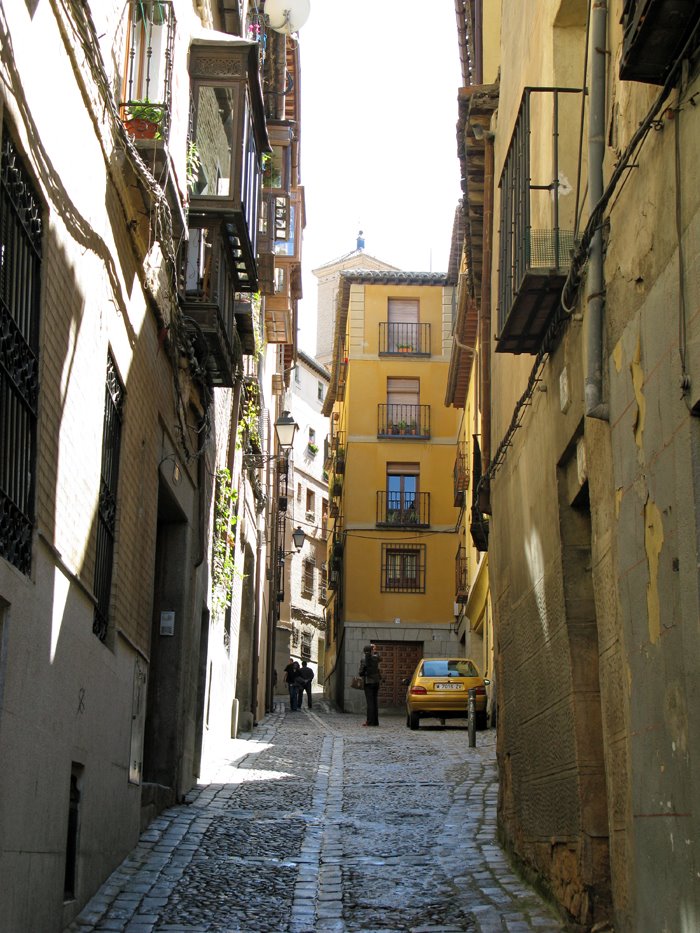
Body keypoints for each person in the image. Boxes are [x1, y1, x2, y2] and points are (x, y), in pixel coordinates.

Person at [359, 644, 381, 726]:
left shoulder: (364, 659)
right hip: (376, 682)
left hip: (368, 682)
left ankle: (370, 721)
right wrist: (375, 649)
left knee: (370, 703)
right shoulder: (376, 658)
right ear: (371, 651)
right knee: (375, 702)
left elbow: (361, 673)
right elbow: (378, 656)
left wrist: (364, 672)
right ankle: (375, 722)